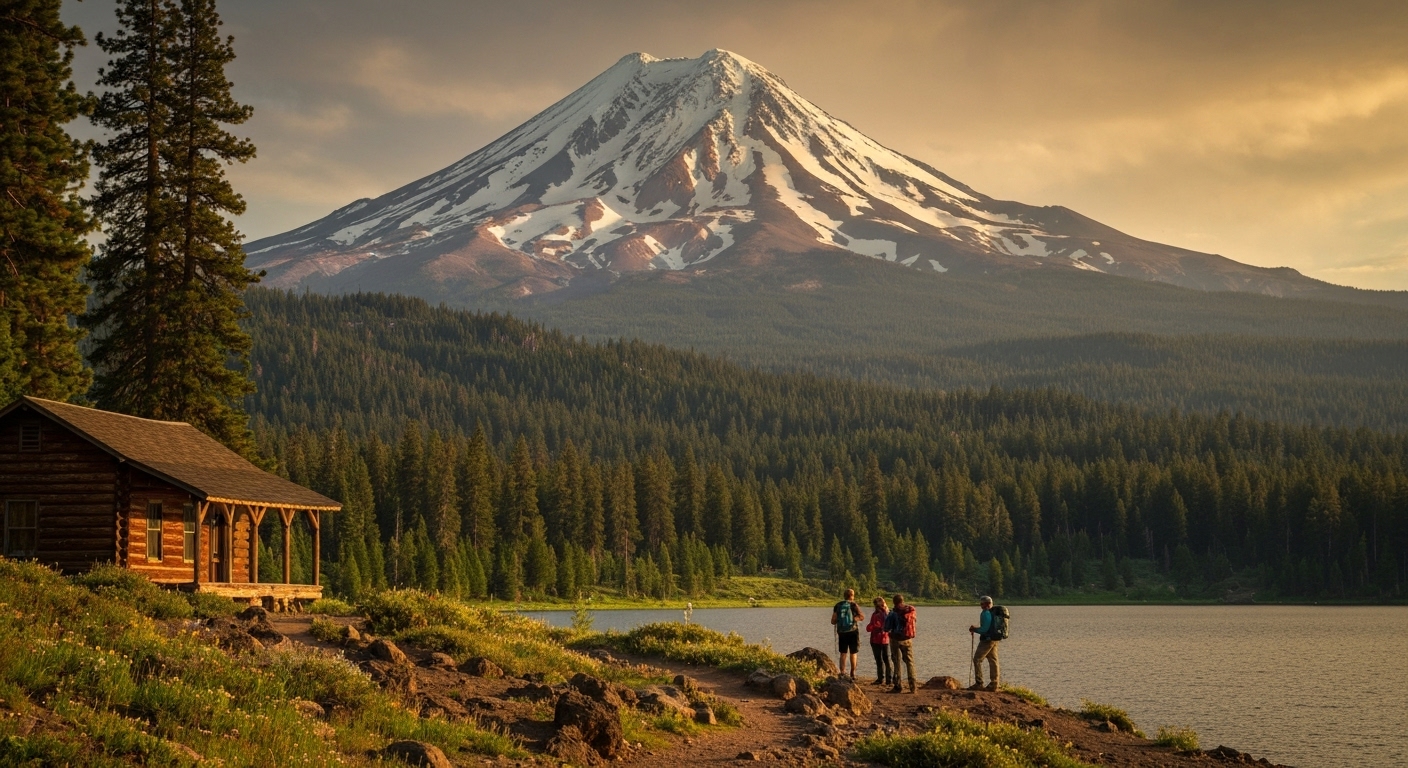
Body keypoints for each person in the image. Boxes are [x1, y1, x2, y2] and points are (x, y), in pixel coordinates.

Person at [884, 593, 917, 693]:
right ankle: (913, 687)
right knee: (910, 662)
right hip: (907, 639)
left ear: (894, 602)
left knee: (897, 662)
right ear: (902, 601)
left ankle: (898, 686)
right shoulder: (910, 610)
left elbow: (886, 628)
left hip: (895, 640)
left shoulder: (893, 613)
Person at [968, 595, 1000, 692]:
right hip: (994, 639)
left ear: (986, 604)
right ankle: (994, 684)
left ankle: (979, 683)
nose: (981, 605)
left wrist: (974, 629)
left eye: (982, 603)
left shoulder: (986, 613)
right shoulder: (993, 613)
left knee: (977, 659)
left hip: (987, 640)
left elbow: (984, 629)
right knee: (993, 660)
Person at [831, 588, 863, 680]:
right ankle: (852, 673)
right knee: (853, 652)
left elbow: (833, 621)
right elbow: (861, 616)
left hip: (842, 632)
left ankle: (842, 672)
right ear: (852, 596)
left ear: (844, 595)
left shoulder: (838, 605)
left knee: (843, 653)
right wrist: (854, 619)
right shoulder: (853, 605)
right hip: (853, 631)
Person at [865, 596, 892, 686]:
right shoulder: (887, 613)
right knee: (886, 659)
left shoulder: (878, 614)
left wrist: (872, 627)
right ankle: (888, 679)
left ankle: (881, 678)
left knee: (880, 659)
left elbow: (871, 626)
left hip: (877, 639)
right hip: (884, 639)